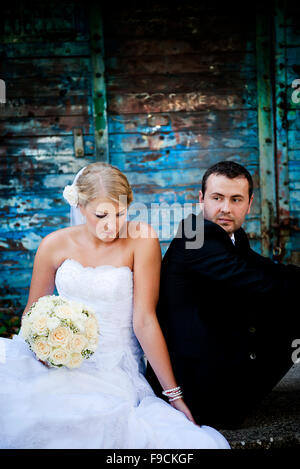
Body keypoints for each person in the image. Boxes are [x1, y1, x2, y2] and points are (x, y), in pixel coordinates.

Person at [0, 162, 230, 449]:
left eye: (120, 213)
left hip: (114, 369)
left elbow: (144, 320)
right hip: (59, 363)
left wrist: (174, 395)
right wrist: (43, 349)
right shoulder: (53, 245)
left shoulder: (141, 239)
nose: (112, 224)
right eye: (101, 215)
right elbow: (31, 315)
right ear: (80, 207)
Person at [146, 160, 300, 430]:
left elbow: (266, 269)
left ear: (249, 204)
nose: (226, 208)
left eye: (236, 199)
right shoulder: (195, 236)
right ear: (201, 199)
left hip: (218, 356)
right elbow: (262, 284)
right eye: (217, 198)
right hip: (195, 391)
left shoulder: (233, 236)